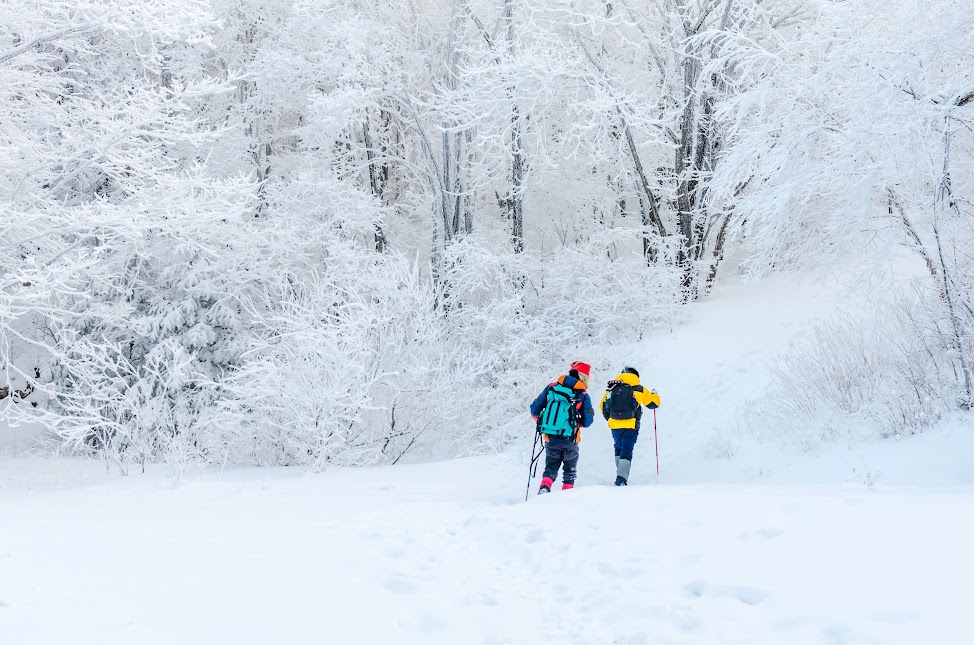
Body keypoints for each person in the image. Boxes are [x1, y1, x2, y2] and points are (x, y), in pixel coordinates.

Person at [529, 361, 595, 494]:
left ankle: (544, 488)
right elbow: (588, 421)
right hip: (571, 438)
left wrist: (546, 423)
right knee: (569, 471)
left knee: (551, 467)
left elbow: (534, 410)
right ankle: (566, 496)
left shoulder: (552, 387)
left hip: (550, 436)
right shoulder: (582, 394)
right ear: (584, 377)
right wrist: (576, 423)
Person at [601, 366, 660, 486]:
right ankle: (621, 478)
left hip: (615, 425)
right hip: (631, 424)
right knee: (626, 450)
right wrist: (654, 394)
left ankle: (620, 473)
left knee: (618, 447)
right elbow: (653, 404)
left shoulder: (612, 388)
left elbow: (602, 406)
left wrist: (611, 419)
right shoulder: (639, 389)